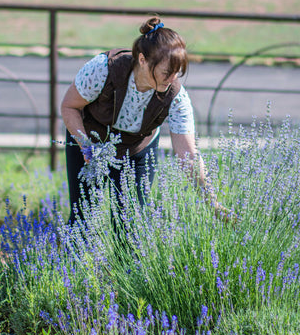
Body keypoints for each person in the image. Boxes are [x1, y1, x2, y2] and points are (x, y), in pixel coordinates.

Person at [60, 16, 223, 225]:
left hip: (136, 152)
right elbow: (69, 106)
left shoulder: (176, 97)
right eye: (166, 72)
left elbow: (189, 155)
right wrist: (86, 147)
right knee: (83, 218)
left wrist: (213, 203)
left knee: (130, 225)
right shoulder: (103, 69)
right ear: (142, 60)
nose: (172, 79)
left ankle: (122, 259)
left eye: (177, 73)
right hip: (89, 140)